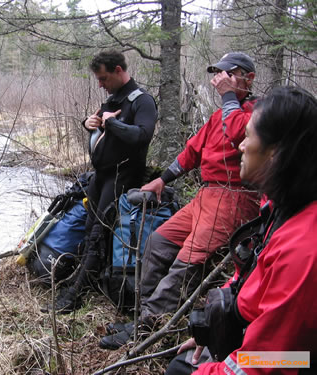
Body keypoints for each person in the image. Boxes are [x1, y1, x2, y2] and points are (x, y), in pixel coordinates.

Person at [100, 52, 260, 349]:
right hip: (206, 195)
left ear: (248, 78)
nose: (222, 81)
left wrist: (228, 97)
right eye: (220, 75)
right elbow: (191, 153)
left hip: (233, 197)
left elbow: (239, 131)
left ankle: (150, 329)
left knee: (187, 260)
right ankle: (143, 315)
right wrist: (162, 179)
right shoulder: (217, 116)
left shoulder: (260, 112)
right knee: (158, 243)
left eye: (230, 74)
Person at [166, 86, 317, 375]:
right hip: (263, 345)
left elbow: (277, 361)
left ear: (276, 152)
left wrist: (212, 370)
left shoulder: (304, 249)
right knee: (180, 364)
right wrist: (213, 330)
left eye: (248, 136)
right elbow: (250, 275)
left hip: (291, 362)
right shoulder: (279, 207)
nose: (240, 146)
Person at [43, 50, 158, 313]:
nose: (100, 84)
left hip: (124, 176)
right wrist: (89, 123)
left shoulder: (143, 101)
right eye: (98, 79)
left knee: (99, 232)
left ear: (119, 70)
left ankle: (76, 293)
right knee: (89, 227)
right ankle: (82, 278)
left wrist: (112, 124)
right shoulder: (112, 100)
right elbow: (102, 131)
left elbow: (142, 136)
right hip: (101, 176)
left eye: (104, 78)